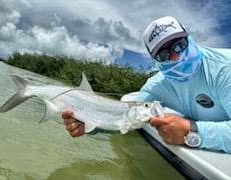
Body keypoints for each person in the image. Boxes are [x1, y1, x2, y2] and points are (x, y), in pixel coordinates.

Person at [62, 16, 231, 153]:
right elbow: (124, 116)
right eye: (163, 54)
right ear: (154, 61)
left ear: (189, 37)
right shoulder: (156, 85)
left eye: (179, 45)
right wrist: (90, 125)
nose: (175, 56)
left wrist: (192, 130)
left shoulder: (225, 69)